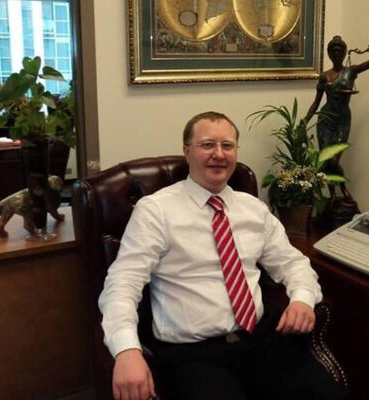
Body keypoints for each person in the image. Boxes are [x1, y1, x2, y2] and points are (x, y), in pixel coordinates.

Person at [98, 111, 346, 400]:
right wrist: (127, 350)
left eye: (227, 146)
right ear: (187, 151)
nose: (219, 154)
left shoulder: (253, 209)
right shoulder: (156, 211)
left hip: (261, 339)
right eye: (207, 145)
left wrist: (302, 299)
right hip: (192, 352)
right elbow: (122, 284)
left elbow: (292, 263)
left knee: (326, 395)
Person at [305, 27, 369, 199]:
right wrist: (305, 121)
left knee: (334, 160)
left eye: (340, 51)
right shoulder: (325, 76)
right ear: (329, 54)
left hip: (342, 120)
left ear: (344, 52)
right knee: (326, 160)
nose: (336, 54)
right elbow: (317, 102)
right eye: (333, 51)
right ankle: (333, 194)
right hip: (326, 120)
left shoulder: (351, 71)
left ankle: (342, 188)